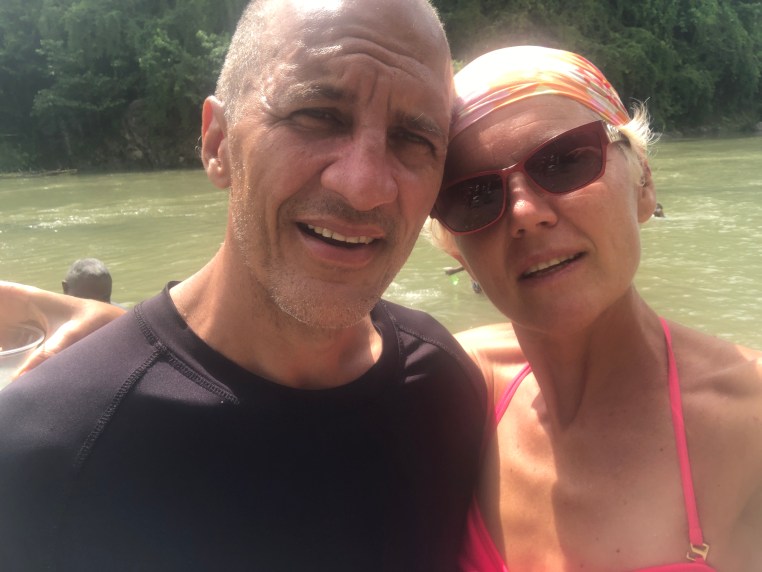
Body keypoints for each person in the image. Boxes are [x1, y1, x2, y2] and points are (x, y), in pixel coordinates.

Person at [0, 1, 487, 570]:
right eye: (317, 115)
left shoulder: (446, 395)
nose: (363, 185)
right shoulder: (43, 452)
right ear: (217, 143)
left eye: (414, 139)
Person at [427, 46, 762, 571]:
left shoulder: (750, 421)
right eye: (474, 195)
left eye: (565, 161)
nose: (525, 213)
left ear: (643, 183)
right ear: (456, 251)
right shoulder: (452, 387)